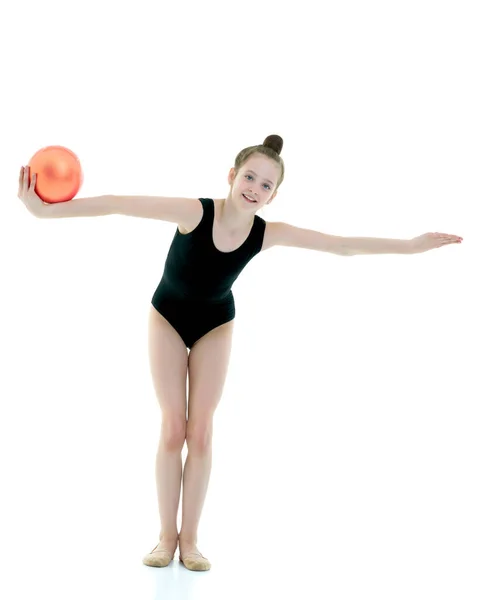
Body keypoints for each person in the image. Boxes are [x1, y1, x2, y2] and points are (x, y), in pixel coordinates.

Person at [17, 134, 462, 571]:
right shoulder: (194, 212)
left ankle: (190, 541)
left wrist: (411, 246)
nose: (255, 188)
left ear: (273, 195)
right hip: (167, 318)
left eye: (266, 185)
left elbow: (340, 246)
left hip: (216, 324)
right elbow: (117, 202)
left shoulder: (267, 234)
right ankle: (164, 537)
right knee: (173, 428)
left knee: (202, 432)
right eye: (249, 177)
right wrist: (44, 212)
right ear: (232, 175)